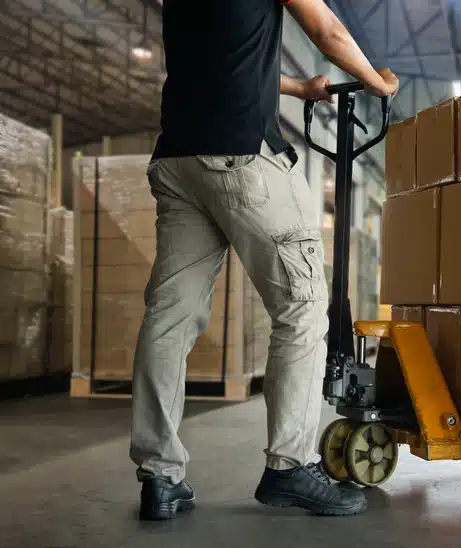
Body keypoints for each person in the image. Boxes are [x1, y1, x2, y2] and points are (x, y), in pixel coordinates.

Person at [129, 0, 398, 521]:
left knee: (168, 322)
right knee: (302, 309)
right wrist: (375, 82)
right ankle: (289, 466)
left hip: (178, 161)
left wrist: (301, 90)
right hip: (241, 159)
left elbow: (219, 61)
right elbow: (328, 29)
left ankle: (159, 476)